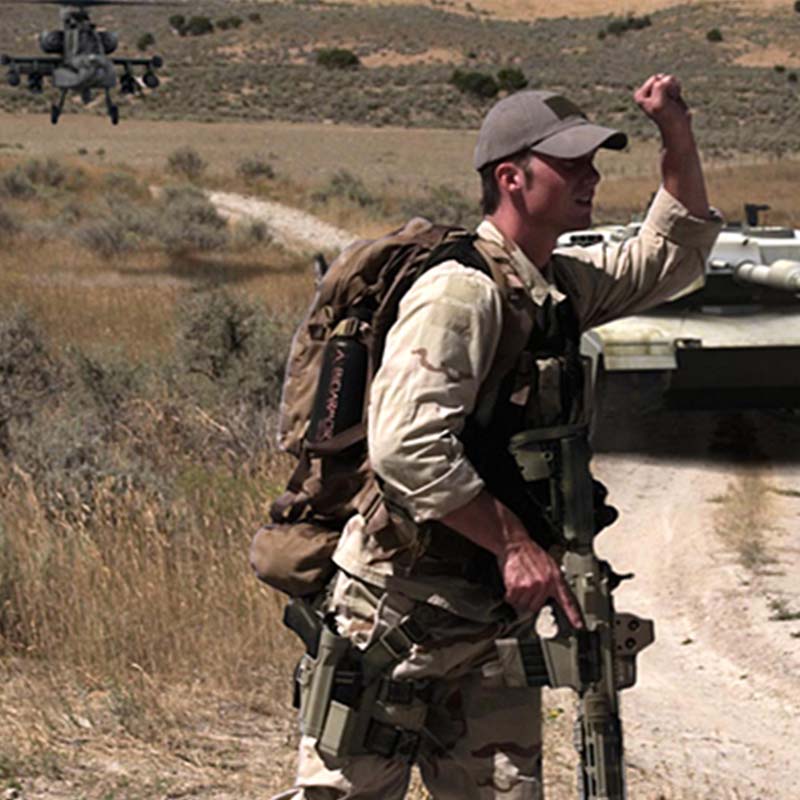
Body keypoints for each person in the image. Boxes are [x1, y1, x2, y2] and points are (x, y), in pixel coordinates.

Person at [274, 73, 722, 799]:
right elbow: (406, 446)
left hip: (489, 620)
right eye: (570, 164)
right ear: (512, 179)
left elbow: (672, 254)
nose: (591, 177)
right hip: (397, 611)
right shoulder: (462, 291)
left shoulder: (553, 287)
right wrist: (514, 544)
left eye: (593, 161)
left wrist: (676, 130)